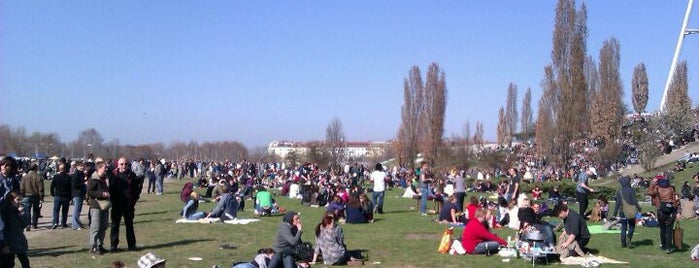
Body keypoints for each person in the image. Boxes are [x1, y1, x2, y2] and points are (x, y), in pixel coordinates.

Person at [109, 157, 142, 251]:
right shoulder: (114, 175)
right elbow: (111, 190)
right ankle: (113, 245)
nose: (124, 166)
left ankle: (131, 245)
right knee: (115, 225)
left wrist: (134, 200)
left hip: (128, 205)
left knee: (129, 225)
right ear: (118, 165)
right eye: (122, 164)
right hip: (117, 204)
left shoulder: (131, 175)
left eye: (125, 164)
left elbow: (137, 189)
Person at [647, 175, 679, 254]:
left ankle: (663, 245)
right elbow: (676, 199)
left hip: (660, 209)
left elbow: (649, 192)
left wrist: (651, 184)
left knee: (662, 229)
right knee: (669, 229)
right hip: (671, 210)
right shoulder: (672, 188)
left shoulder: (657, 188)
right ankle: (668, 247)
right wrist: (676, 210)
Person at [87, 161, 110, 255]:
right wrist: (102, 194)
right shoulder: (92, 179)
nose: (106, 169)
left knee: (103, 226)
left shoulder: (105, 179)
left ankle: (100, 245)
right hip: (96, 205)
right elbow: (90, 192)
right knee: (95, 226)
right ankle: (93, 246)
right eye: (105, 167)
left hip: (105, 205)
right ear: (99, 168)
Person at [612, 176, 642, 248]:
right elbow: (634, 200)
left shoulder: (620, 191)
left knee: (624, 227)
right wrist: (639, 208)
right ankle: (629, 239)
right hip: (630, 211)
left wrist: (614, 213)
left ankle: (623, 243)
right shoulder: (631, 190)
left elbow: (617, 203)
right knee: (631, 226)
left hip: (622, 211)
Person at [2, 191, 29, 268]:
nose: (20, 202)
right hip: (9, 241)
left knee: (25, 263)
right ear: (11, 200)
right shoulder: (4, 212)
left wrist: (22, 214)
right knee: (9, 264)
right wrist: (4, 244)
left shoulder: (20, 210)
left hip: (19, 240)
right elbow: (3, 229)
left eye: (21, 200)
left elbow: (25, 224)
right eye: (18, 200)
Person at [19, 163, 43, 231]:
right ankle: (34, 224)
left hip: (27, 195)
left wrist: (22, 195)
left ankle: (28, 224)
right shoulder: (38, 177)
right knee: (36, 210)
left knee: (27, 211)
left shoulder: (25, 177)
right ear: (36, 168)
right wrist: (41, 197)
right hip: (35, 196)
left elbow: (22, 187)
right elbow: (40, 188)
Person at [50, 163, 72, 229]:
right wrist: (70, 197)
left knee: (56, 210)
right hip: (66, 196)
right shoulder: (68, 177)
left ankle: (55, 222)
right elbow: (70, 188)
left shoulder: (56, 176)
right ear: (65, 169)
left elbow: (52, 186)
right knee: (65, 211)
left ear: (59, 169)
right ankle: (63, 223)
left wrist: (52, 194)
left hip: (58, 195)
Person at [70, 161, 87, 230]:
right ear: (77, 167)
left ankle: (78, 223)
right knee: (76, 210)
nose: (82, 167)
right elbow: (74, 185)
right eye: (81, 166)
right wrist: (83, 184)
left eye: (83, 166)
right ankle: (75, 225)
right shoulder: (76, 174)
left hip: (80, 193)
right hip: (77, 194)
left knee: (78, 210)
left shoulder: (81, 174)